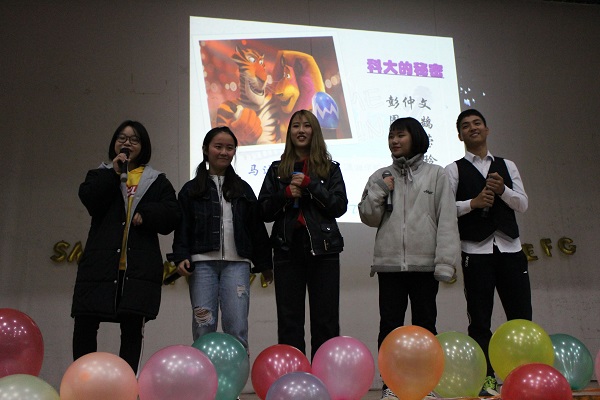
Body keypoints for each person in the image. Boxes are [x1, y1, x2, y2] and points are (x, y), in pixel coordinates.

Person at [358, 117, 460, 400]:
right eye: (391, 136)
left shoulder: (437, 175)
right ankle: (390, 385)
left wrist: (445, 262)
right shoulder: (380, 175)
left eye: (400, 135)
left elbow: (447, 220)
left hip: (424, 265)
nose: (394, 141)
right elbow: (368, 216)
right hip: (389, 265)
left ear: (415, 137)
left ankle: (425, 385)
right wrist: (381, 190)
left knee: (425, 325)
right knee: (389, 327)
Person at [71, 120, 181, 374]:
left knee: (132, 327)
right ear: (114, 144)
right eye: (122, 138)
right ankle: (82, 380)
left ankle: (127, 384)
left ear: (143, 146)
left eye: (134, 139)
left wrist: (148, 214)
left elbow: (173, 215)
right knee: (85, 322)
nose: (127, 143)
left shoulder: (156, 180)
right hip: (100, 265)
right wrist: (113, 172)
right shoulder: (100, 174)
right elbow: (90, 200)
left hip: (137, 268)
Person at [445, 109, 531, 396]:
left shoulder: (507, 165)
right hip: (476, 252)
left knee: (521, 318)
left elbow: (523, 204)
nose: (472, 128)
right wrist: (473, 203)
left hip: (511, 249)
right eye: (465, 126)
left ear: (487, 129)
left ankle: (523, 377)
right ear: (460, 135)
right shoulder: (453, 170)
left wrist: (503, 190)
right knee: (480, 321)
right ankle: (487, 379)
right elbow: (444, 209)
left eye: (477, 123)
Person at [171, 126, 273, 352]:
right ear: (205, 149)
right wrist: (180, 256)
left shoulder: (243, 189)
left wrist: (265, 264)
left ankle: (237, 373)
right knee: (203, 327)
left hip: (237, 265)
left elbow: (256, 228)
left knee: (237, 328)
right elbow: (183, 227)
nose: (224, 152)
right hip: (202, 265)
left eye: (230, 148)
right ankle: (203, 374)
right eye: (218, 147)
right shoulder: (191, 190)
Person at [258, 109, 348, 360]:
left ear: (315, 131)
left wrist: (312, 185)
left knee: (326, 320)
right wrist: (285, 194)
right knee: (289, 321)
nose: (301, 130)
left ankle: (323, 372)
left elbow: (339, 206)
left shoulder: (329, 169)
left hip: (323, 249)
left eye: (306, 125)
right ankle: (294, 374)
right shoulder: (277, 170)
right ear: (289, 133)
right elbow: (263, 210)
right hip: (287, 248)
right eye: (296, 126)